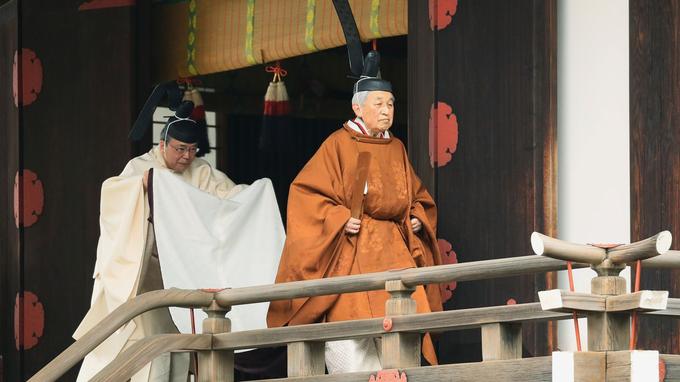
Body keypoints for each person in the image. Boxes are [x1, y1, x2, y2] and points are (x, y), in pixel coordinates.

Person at [266, 71, 443, 372]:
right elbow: (306, 195)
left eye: (390, 104)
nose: (387, 111)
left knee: (401, 353)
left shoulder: (396, 147)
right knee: (353, 354)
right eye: (378, 104)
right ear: (358, 108)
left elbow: (417, 196)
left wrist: (415, 217)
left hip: (394, 252)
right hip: (353, 252)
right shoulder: (338, 144)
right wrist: (338, 218)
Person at [73, 101, 245, 381]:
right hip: (143, 277)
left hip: (180, 275)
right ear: (163, 144)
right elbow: (111, 192)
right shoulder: (141, 167)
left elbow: (231, 197)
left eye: (192, 150)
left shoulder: (201, 172)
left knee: (177, 347)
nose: (186, 156)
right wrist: (143, 186)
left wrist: (252, 195)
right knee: (140, 346)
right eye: (180, 149)